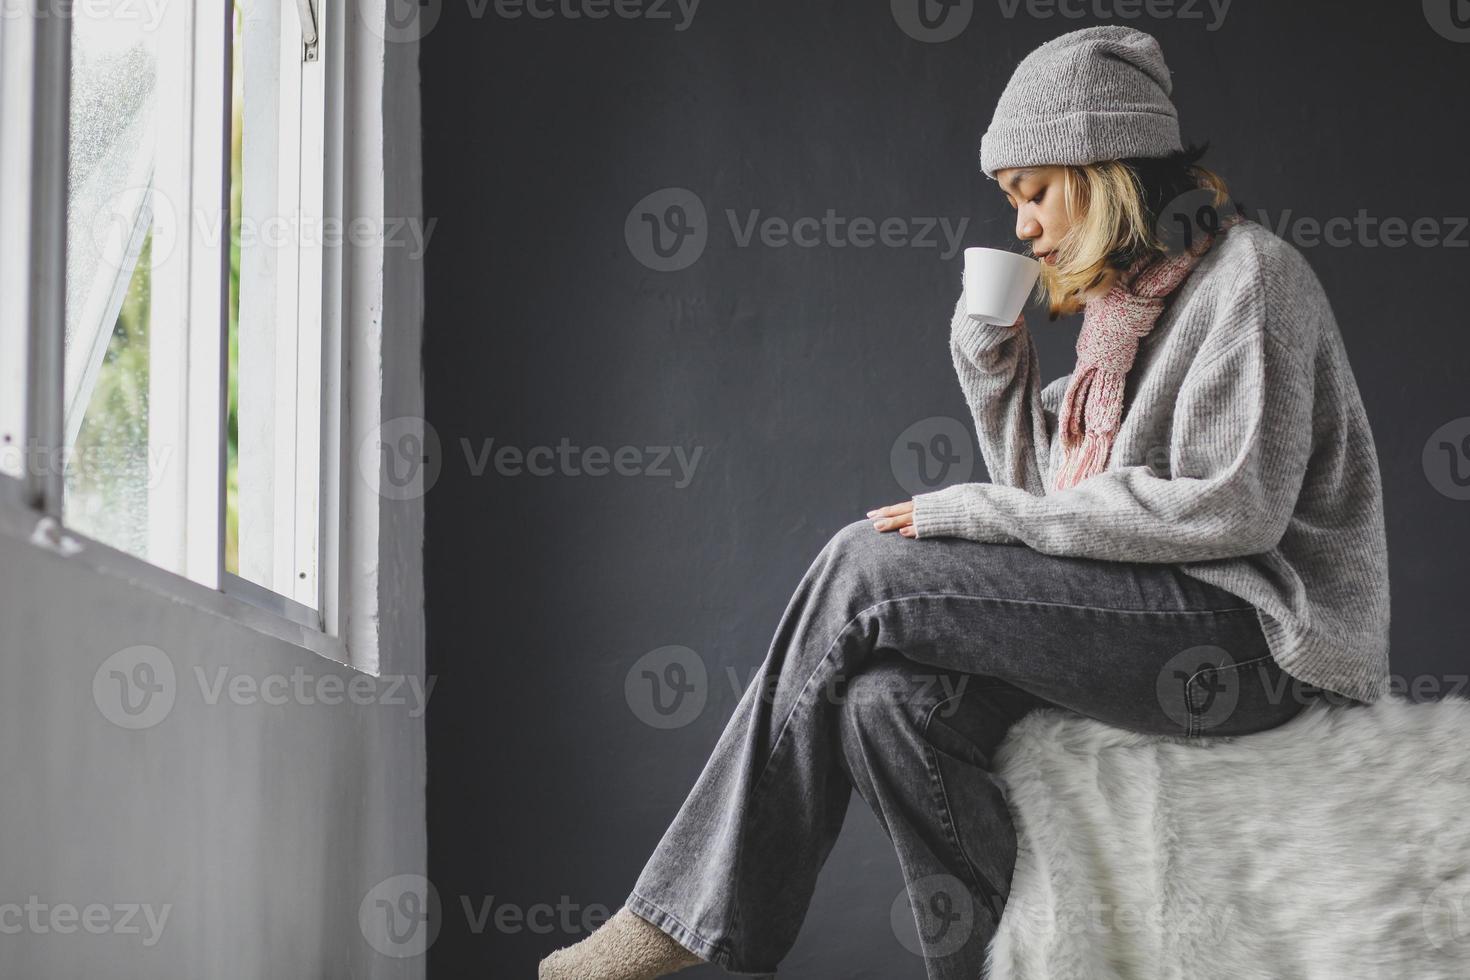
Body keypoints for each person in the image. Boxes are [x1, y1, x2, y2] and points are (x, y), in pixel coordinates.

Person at [539, 24, 1390, 980]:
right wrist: (994, 362)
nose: (1022, 225)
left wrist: (976, 513)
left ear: (1101, 162)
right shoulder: (1129, 314)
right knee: (884, 703)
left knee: (865, 568)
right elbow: (1054, 514)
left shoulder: (1251, 278)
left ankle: (676, 922)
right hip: (1162, 617)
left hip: (1256, 641)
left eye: (1032, 191)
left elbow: (1231, 510)